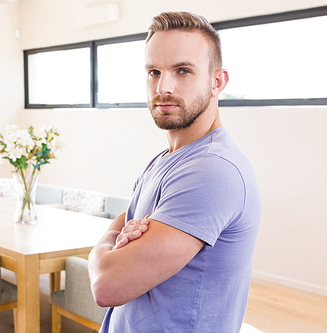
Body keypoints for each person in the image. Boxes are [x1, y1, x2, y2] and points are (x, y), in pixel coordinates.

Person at [88, 11, 261, 333]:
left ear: (217, 81)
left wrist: (101, 249)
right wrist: (116, 239)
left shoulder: (212, 170)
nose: (163, 87)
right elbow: (127, 219)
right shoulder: (167, 158)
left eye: (182, 71)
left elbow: (107, 285)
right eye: (154, 72)